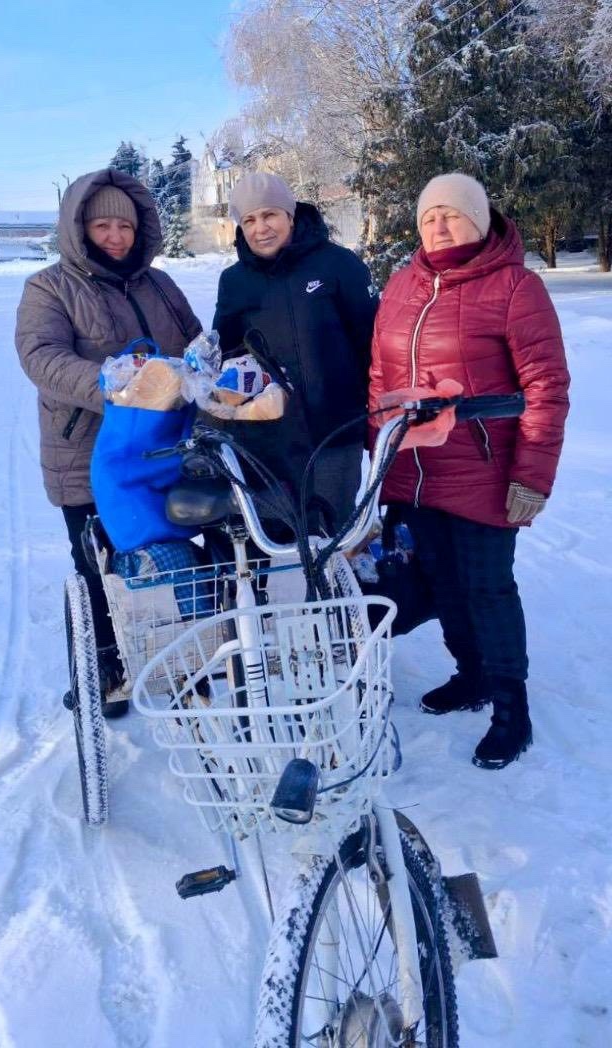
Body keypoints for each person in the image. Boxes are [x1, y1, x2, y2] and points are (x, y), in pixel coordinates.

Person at [369, 172, 570, 769]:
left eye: (452, 215)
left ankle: (513, 709)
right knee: (443, 584)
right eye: (430, 216)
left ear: (480, 222)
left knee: (488, 587)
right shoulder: (402, 286)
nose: (439, 225)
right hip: (416, 470)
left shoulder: (515, 287)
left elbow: (546, 387)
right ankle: (472, 675)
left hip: (484, 470)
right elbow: (380, 379)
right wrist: (379, 448)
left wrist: (531, 476)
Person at [15, 168, 202, 716]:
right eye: (103, 225)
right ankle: (103, 665)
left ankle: (184, 649)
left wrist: (207, 375)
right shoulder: (49, 287)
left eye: (124, 225)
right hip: (87, 451)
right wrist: (112, 383)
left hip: (164, 450)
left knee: (172, 551)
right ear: (79, 229)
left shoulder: (159, 284)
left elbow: (194, 343)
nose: (116, 236)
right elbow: (41, 358)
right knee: (98, 566)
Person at [212, 171, 378, 533]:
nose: (261, 228)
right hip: (268, 439)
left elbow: (374, 344)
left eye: (270, 215)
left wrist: (374, 413)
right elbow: (227, 354)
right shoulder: (235, 281)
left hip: (335, 432)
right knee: (275, 540)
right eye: (250, 220)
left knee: (331, 537)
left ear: (291, 215)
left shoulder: (338, 264)